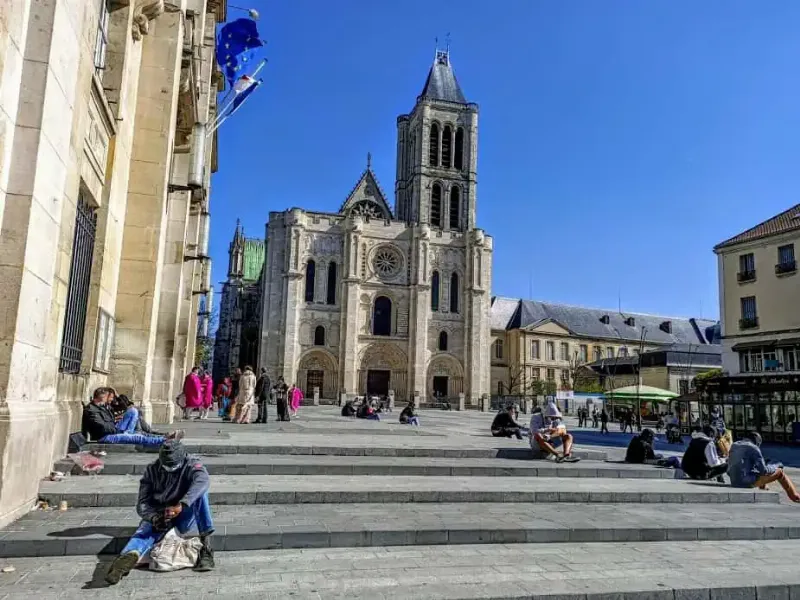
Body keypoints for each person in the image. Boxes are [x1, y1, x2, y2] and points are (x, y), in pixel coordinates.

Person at [104, 440, 215, 585]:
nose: (170, 468)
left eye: (173, 465)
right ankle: (126, 559)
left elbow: (203, 480)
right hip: (161, 515)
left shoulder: (192, 464)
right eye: (166, 465)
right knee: (144, 531)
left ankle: (206, 546)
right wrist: (154, 517)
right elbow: (142, 503)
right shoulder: (151, 471)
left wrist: (181, 504)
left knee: (201, 494)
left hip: (183, 513)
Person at [82, 388, 180, 447]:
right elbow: (103, 427)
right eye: (108, 397)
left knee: (133, 411)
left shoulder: (102, 407)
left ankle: (129, 433)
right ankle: (164, 440)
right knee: (137, 437)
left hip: (114, 429)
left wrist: (118, 424)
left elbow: (109, 421)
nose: (110, 399)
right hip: (105, 436)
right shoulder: (92, 410)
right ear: (102, 397)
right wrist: (118, 430)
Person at [728, 431, 800, 502]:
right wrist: (777, 465)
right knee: (780, 473)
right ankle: (795, 496)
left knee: (758, 469)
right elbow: (764, 470)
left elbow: (729, 469)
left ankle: (764, 488)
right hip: (745, 483)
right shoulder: (754, 448)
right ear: (757, 443)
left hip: (734, 481)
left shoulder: (734, 445)